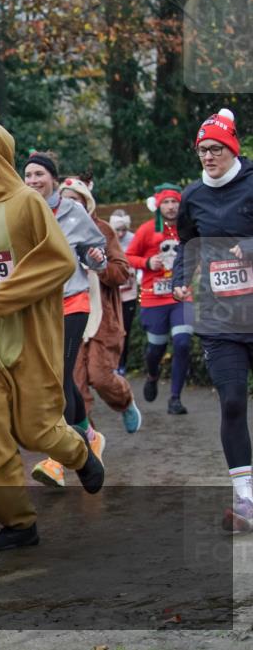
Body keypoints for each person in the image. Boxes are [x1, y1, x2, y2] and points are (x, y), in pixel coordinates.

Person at [0, 104, 104, 552]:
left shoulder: (27, 203)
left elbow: (58, 260)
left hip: (30, 339)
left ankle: (79, 453)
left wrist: (6, 295)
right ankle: (18, 523)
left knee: (35, 430)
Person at [172, 108, 253, 532]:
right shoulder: (193, 196)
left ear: (232, 147)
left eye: (215, 148)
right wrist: (180, 280)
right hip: (220, 316)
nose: (207, 156)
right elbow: (188, 241)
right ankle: (246, 500)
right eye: (202, 150)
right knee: (234, 401)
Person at [22, 153, 109, 488]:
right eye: (28, 175)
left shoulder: (72, 211)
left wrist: (94, 256)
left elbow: (95, 251)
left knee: (58, 378)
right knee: (55, 378)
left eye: (39, 174)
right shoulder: (22, 210)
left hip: (72, 303)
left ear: (53, 178)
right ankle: (89, 437)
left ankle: (61, 456)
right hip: (37, 308)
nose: (32, 181)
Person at [62, 178, 143, 435]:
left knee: (100, 377)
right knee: (75, 384)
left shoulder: (103, 230)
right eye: (65, 200)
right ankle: (89, 440)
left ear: (87, 202)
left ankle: (125, 401)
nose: (70, 205)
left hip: (101, 317)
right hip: (69, 313)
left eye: (75, 199)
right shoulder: (53, 229)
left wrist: (100, 266)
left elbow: (122, 271)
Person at [125, 183, 194, 415]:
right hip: (154, 299)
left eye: (175, 201)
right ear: (158, 205)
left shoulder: (188, 229)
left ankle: (175, 398)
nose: (172, 206)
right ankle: (152, 374)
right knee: (156, 348)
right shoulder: (146, 230)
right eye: (166, 202)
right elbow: (128, 257)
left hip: (181, 296)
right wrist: (146, 263)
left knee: (183, 343)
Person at [109, 209, 138, 375]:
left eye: (123, 230)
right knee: (112, 330)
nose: (120, 234)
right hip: (111, 293)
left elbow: (138, 258)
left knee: (124, 330)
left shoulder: (133, 239)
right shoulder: (105, 238)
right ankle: (110, 363)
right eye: (117, 230)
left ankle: (121, 364)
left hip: (129, 293)